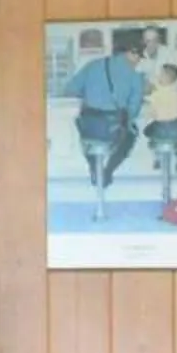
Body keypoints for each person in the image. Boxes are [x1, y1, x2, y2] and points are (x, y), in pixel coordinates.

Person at [64, 28, 146, 221]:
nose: (140, 60)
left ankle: (94, 165)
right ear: (130, 52)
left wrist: (92, 94)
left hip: (90, 124)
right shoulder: (135, 76)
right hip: (113, 129)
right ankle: (107, 171)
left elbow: (71, 88)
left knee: (87, 136)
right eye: (139, 55)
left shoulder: (92, 65)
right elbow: (133, 109)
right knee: (131, 135)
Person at [142, 62, 177, 182]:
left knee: (152, 138)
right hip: (174, 129)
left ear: (166, 77)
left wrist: (148, 121)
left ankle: (156, 156)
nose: (158, 76)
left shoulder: (155, 94)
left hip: (159, 129)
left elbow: (150, 112)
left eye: (160, 74)